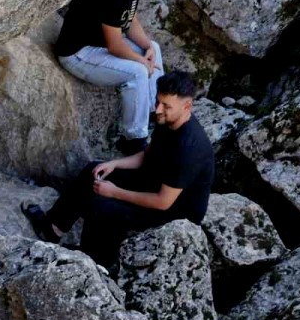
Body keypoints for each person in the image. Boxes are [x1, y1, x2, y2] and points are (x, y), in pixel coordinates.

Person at [23, 71, 214, 269]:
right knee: (94, 170)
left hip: (174, 213)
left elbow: (162, 202)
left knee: (101, 205)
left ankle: (96, 262)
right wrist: (113, 164)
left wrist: (114, 192)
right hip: (157, 183)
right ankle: (53, 229)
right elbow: (147, 155)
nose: (158, 109)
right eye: (158, 102)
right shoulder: (167, 121)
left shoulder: (189, 148)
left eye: (166, 106)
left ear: (187, 106)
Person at [54, 0, 168, 156]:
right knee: (137, 72)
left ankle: (155, 111)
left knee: (152, 46)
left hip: (100, 45)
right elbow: (115, 45)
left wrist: (146, 48)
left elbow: (130, 19)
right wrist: (142, 62)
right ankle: (134, 139)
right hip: (78, 52)